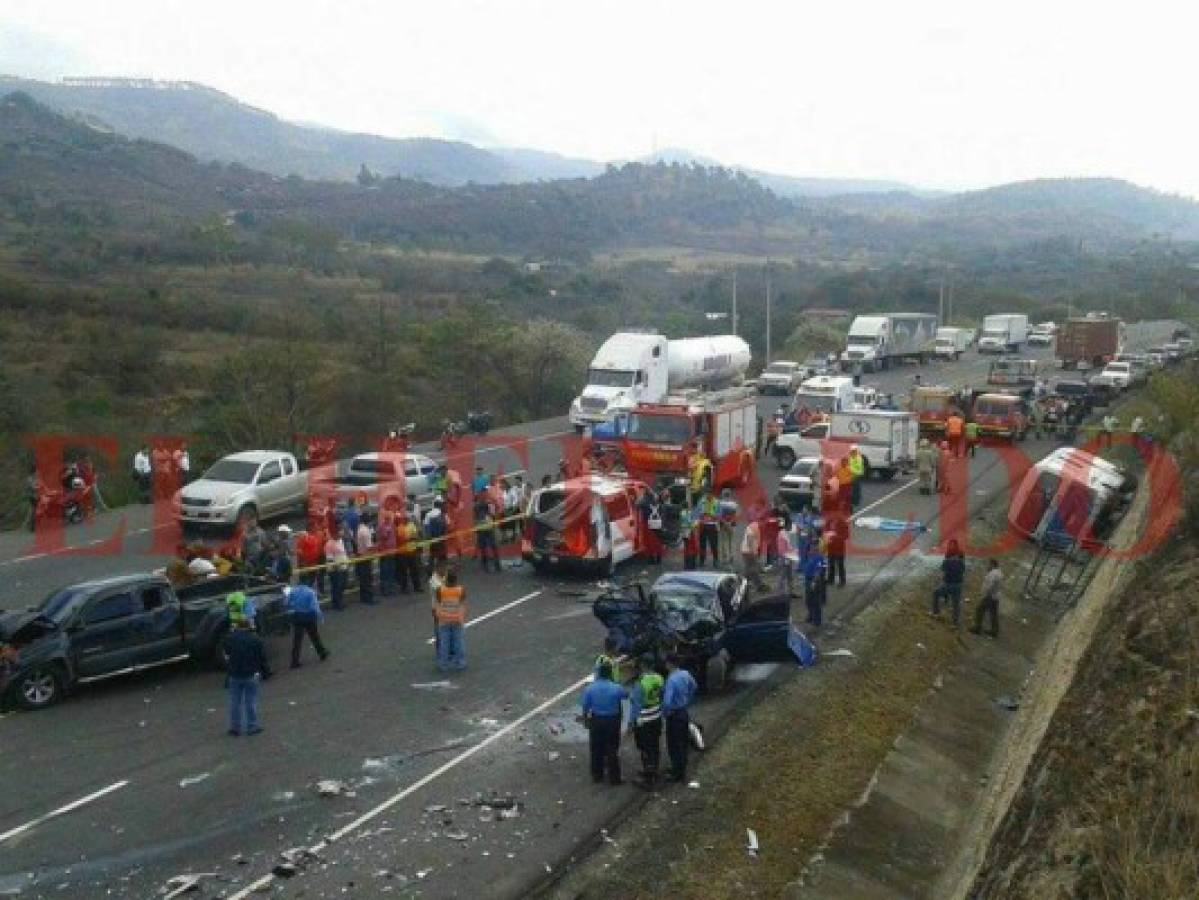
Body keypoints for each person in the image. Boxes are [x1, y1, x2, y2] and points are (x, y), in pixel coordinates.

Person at [580, 662, 628, 785]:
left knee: (596, 748)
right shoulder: (616, 687)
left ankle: (597, 775)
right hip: (612, 720)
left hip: (597, 720)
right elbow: (625, 695)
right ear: (610, 674)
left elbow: (585, 706)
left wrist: (585, 719)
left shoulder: (590, 688)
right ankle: (614, 777)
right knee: (612, 748)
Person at [223, 615, 271, 736]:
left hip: (234, 674)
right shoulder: (255, 639)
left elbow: (227, 653)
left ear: (237, 626)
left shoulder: (229, 639)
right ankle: (252, 726)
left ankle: (235, 727)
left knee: (235, 701)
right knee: (250, 701)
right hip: (251, 673)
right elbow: (262, 657)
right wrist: (264, 672)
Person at [628, 656, 664, 786]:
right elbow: (661, 695)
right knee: (654, 745)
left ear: (643, 665)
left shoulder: (641, 682)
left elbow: (636, 705)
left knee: (644, 747)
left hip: (644, 719)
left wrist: (631, 722)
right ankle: (654, 770)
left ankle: (649, 778)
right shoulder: (659, 678)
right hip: (656, 716)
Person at [662, 655, 698, 783]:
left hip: (674, 715)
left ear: (671, 664)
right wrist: (687, 700)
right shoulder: (685, 674)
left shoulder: (671, 680)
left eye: (666, 662)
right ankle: (682, 769)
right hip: (683, 712)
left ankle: (677, 773)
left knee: (673, 744)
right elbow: (694, 687)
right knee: (683, 742)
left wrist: (666, 713)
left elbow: (667, 702)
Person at [286, 583, 328, 667]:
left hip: (297, 616)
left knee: (297, 640)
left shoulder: (293, 591)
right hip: (308, 616)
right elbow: (314, 606)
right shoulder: (310, 592)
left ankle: (295, 660)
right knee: (314, 636)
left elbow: (287, 603)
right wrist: (320, 616)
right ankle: (322, 653)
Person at [432, 569, 467, 671]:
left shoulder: (440, 590)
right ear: (456, 580)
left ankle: (443, 663)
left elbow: (438, 601)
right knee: (458, 642)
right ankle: (460, 662)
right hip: (457, 619)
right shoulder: (461, 590)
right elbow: (463, 601)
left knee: (444, 643)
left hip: (444, 620)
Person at [931, 539, 966, 627]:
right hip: (958, 584)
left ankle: (936, 613)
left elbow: (943, 570)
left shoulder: (948, 561)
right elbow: (962, 571)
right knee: (956, 604)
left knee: (936, 593)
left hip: (950, 583)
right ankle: (955, 623)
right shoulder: (960, 561)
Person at [970, 558, 1003, 638]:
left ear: (992, 565)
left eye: (989, 564)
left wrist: (985, 593)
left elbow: (990, 585)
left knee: (979, 609)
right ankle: (994, 631)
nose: (987, 566)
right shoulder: (998, 572)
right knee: (993, 614)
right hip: (995, 596)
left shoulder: (993, 574)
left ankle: (977, 628)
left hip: (990, 596)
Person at [325, 526, 350, 610]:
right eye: (339, 532)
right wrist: (336, 568)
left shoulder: (340, 541)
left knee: (342, 585)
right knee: (336, 587)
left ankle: (339, 601)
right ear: (334, 533)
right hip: (335, 570)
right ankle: (336, 603)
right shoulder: (329, 544)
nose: (341, 533)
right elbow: (330, 559)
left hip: (343, 567)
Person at [397, 514, 424, 593]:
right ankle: (404, 588)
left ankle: (417, 587)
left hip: (412, 551)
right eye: (405, 518)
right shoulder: (400, 528)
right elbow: (401, 539)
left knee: (415, 570)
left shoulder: (411, 525)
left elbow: (416, 535)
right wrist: (410, 537)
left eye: (407, 518)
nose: (406, 519)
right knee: (404, 571)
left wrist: (409, 538)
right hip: (403, 553)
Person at [474, 496, 501, 573]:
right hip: (489, 527)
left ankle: (485, 564)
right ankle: (497, 564)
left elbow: (476, 521)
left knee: (484, 547)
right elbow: (494, 516)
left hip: (483, 529)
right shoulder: (488, 514)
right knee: (493, 546)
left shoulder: (478, 514)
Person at [696, 490, 720, 568]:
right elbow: (697, 511)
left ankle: (716, 561)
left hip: (712, 525)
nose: (708, 496)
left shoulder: (716, 502)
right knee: (702, 544)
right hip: (703, 525)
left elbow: (720, 513)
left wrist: (712, 516)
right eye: (707, 494)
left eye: (710, 494)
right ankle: (701, 561)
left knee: (714, 544)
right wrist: (701, 516)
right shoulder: (701, 501)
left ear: (713, 494)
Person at [740, 517, 766, 590]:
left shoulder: (755, 526)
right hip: (748, 551)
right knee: (753, 569)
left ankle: (744, 583)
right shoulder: (754, 527)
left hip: (747, 550)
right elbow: (750, 539)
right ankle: (759, 585)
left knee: (749, 569)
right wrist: (753, 552)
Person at [355, 518, 376, 604]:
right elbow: (369, 547)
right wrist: (377, 546)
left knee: (363, 579)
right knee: (367, 578)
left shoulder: (359, 529)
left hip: (360, 555)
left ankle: (363, 597)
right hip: (365, 556)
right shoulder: (366, 531)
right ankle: (369, 598)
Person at [376, 513, 397, 596]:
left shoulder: (392, 525)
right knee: (385, 571)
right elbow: (383, 537)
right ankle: (385, 589)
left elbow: (394, 535)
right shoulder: (382, 526)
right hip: (384, 552)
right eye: (387, 518)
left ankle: (391, 588)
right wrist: (386, 532)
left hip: (392, 551)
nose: (389, 519)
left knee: (391, 570)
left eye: (389, 518)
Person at [804, 554, 827, 628]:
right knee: (808, 600)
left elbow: (819, 569)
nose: (813, 547)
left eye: (815, 544)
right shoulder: (808, 554)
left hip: (814, 579)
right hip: (807, 578)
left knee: (815, 601)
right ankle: (811, 615)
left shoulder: (819, 557)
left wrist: (814, 581)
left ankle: (817, 621)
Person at [717, 488, 739, 566]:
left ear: (723, 495)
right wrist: (731, 522)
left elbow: (718, 515)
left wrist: (725, 522)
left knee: (724, 542)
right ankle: (732, 555)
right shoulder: (734, 504)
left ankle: (725, 558)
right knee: (732, 541)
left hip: (723, 524)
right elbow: (736, 515)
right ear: (730, 495)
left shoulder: (719, 504)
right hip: (732, 524)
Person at [825, 515, 847, 588]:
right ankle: (831, 579)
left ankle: (842, 581)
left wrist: (836, 536)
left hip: (839, 547)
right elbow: (825, 532)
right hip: (831, 546)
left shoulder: (842, 523)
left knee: (840, 564)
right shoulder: (828, 522)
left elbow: (846, 535)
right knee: (831, 563)